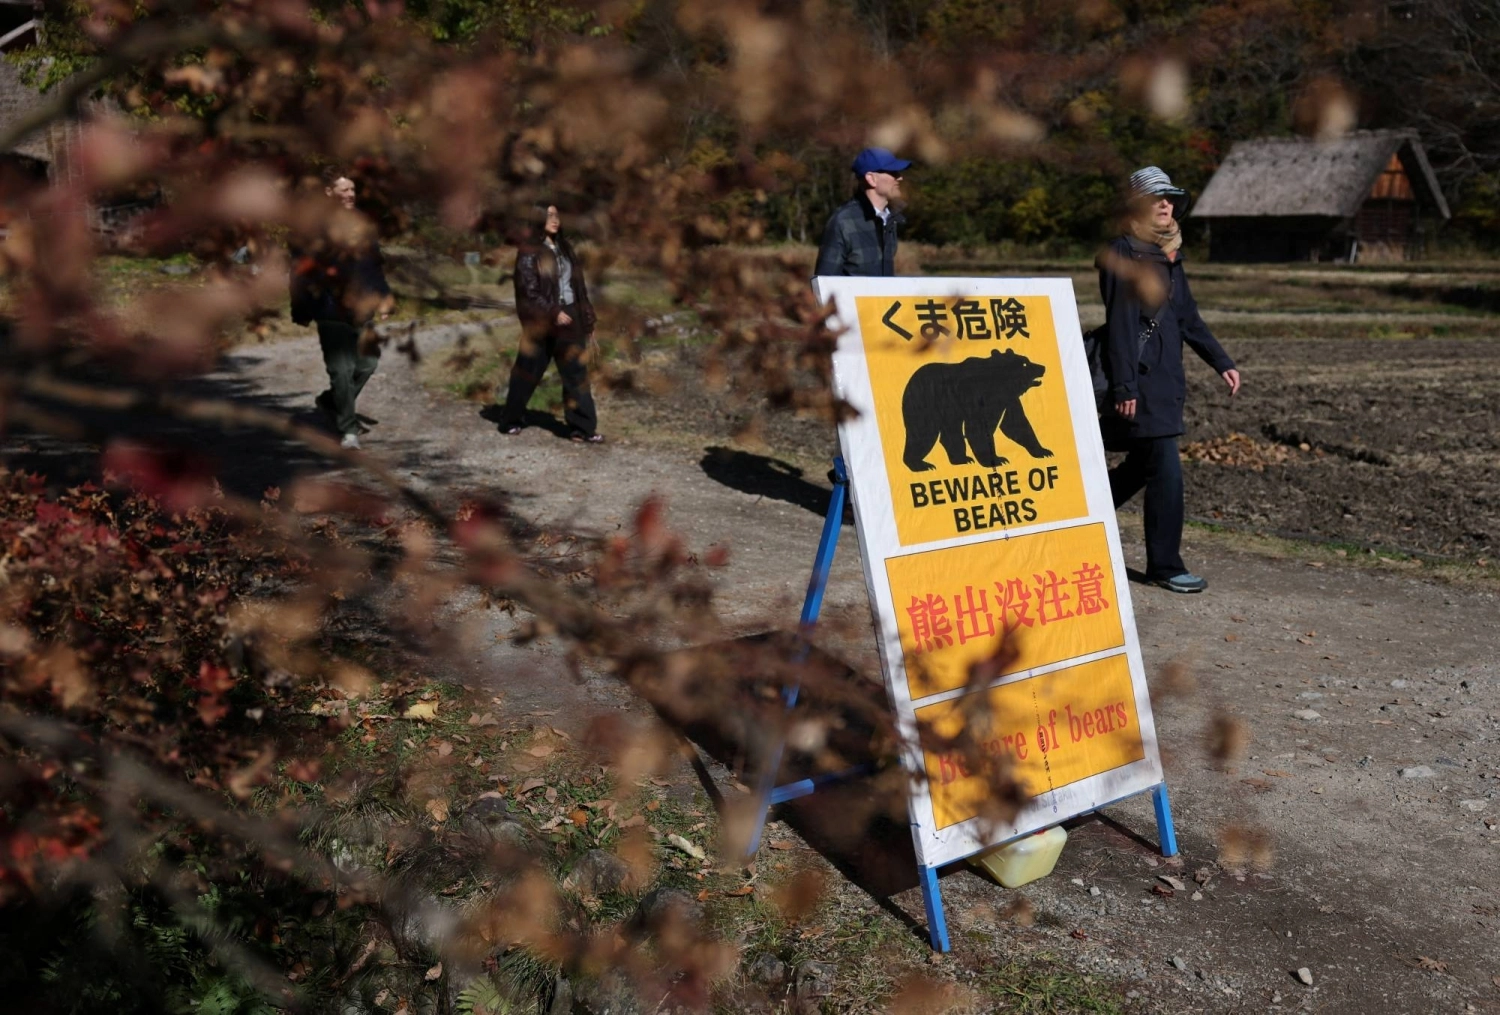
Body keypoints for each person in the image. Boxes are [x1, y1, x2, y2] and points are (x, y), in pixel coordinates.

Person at [1098, 166, 1241, 593]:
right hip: (1141, 381)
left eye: (1170, 197)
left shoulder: (1169, 254)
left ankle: (1080, 515)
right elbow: (1122, 323)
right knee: (1165, 469)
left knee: (1142, 466)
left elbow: (1187, 317)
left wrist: (1221, 361)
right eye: (1156, 197)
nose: (1166, 204)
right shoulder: (1122, 252)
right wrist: (1124, 386)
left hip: (1167, 382)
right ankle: (1165, 565)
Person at [290, 169, 393, 450]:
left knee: (368, 363)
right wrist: (300, 307)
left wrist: (383, 296)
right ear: (328, 192)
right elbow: (299, 271)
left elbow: (374, 266)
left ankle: (330, 401)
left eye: (352, 190)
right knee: (342, 370)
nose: (350, 194)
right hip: (329, 307)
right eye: (344, 190)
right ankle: (348, 430)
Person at [498, 203, 601, 443]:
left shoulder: (566, 249)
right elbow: (528, 291)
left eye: (557, 215)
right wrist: (553, 311)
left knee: (576, 373)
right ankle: (511, 418)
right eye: (549, 216)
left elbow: (579, 287)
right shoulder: (529, 251)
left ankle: (583, 428)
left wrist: (587, 318)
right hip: (542, 321)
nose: (555, 220)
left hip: (570, 316)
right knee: (527, 372)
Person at [813, 147, 910, 277]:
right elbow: (825, 283)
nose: (899, 178)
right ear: (871, 178)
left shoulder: (890, 220)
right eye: (892, 172)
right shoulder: (843, 222)